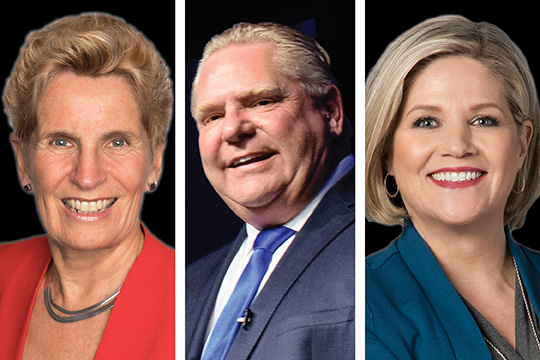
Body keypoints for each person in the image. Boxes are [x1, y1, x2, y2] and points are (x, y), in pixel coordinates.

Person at [0, 13, 174, 359]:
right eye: (62, 142)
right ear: (24, 163)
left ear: (155, 161)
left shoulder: (189, 301)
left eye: (117, 142)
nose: (88, 176)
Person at [365, 15, 540, 359]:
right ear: (386, 152)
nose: (458, 146)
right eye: (426, 122)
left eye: (483, 120)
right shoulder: (364, 306)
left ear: (522, 144)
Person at [186, 22, 355, 359]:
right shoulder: (187, 286)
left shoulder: (382, 242)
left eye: (261, 102)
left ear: (331, 111)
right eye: (213, 116)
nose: (233, 129)